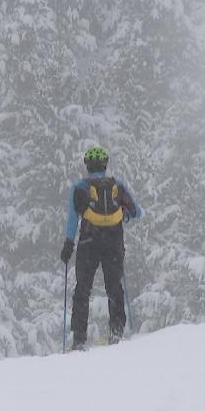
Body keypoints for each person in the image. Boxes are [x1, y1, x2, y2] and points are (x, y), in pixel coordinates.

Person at [60, 146, 143, 351]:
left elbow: (73, 219)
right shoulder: (118, 185)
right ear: (105, 165)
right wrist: (122, 216)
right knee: (114, 287)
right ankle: (116, 332)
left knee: (82, 289)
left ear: (87, 166)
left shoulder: (79, 187)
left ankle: (79, 339)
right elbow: (138, 212)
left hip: (89, 242)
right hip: (114, 242)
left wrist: (68, 244)